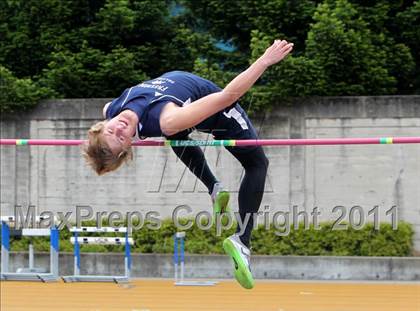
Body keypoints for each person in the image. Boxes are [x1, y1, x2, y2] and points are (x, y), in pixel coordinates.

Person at [84, 39, 293, 289]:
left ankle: (214, 188)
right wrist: (265, 60)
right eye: (121, 138)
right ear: (129, 145)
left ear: (102, 124)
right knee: (257, 164)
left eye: (111, 130)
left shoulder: (112, 108)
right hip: (217, 111)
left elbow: (108, 119)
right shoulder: (168, 119)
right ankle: (242, 240)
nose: (119, 128)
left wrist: (109, 143)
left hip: (183, 106)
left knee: (175, 137)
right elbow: (228, 95)